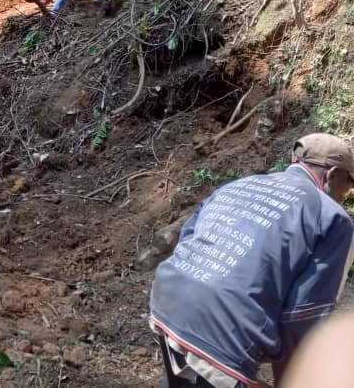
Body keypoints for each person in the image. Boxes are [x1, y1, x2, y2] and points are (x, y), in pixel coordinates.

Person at [150, 133, 354, 388]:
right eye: (347, 185)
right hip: (223, 332)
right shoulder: (332, 218)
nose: (344, 195)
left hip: (168, 301)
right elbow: (303, 315)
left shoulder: (239, 185)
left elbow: (188, 239)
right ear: (332, 174)